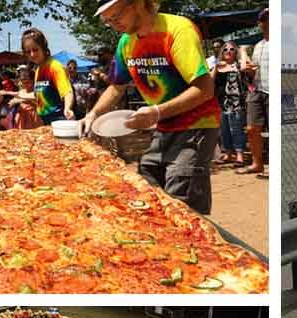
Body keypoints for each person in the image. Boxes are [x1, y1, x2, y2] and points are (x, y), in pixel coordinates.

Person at [80, 0, 221, 215]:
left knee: (181, 204)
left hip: (196, 127)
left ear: (136, 4)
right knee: (148, 192)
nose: (113, 24)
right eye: (107, 20)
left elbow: (205, 89)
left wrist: (156, 112)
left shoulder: (178, 29)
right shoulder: (126, 42)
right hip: (161, 128)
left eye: (116, 17)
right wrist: (93, 114)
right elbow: (117, 87)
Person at [21, 28, 75, 124]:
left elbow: (67, 91)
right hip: (44, 122)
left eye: (35, 49)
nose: (32, 54)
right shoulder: (38, 70)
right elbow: (38, 95)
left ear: (43, 47)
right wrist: (13, 95)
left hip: (59, 120)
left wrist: (67, 108)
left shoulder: (54, 66)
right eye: (28, 52)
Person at [239, 8, 268, 177]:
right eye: (263, 20)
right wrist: (249, 69)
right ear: (259, 23)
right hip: (257, 89)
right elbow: (253, 70)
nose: (266, 23)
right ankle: (257, 163)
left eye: (269, 19)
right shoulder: (258, 46)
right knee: (251, 128)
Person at [214, 41, 247, 165]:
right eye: (225, 49)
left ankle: (239, 155)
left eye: (232, 49)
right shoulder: (219, 67)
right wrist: (216, 68)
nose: (228, 51)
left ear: (236, 52)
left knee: (237, 129)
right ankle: (228, 154)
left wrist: (243, 51)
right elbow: (211, 81)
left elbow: (244, 68)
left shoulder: (238, 65)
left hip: (237, 102)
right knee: (224, 130)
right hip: (222, 102)